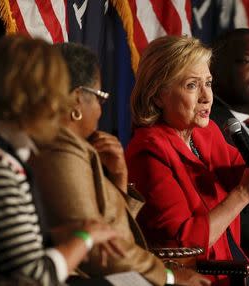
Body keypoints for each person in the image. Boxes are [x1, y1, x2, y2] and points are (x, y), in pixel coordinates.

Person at [126, 35, 249, 286]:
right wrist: (242, 194)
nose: (207, 97)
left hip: (233, 269)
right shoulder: (148, 152)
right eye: (192, 85)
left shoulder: (206, 133)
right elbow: (185, 246)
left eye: (208, 83)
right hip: (199, 277)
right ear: (158, 95)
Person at [29, 42, 210, 286]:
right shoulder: (60, 150)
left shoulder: (78, 148)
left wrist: (119, 179)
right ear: (76, 102)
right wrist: (167, 276)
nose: (100, 111)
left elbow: (110, 230)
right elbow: (98, 249)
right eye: (99, 97)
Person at [0, 35, 124, 285]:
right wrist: (84, 238)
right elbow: (34, 277)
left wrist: (57, 236)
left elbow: (7, 251)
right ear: (40, 99)